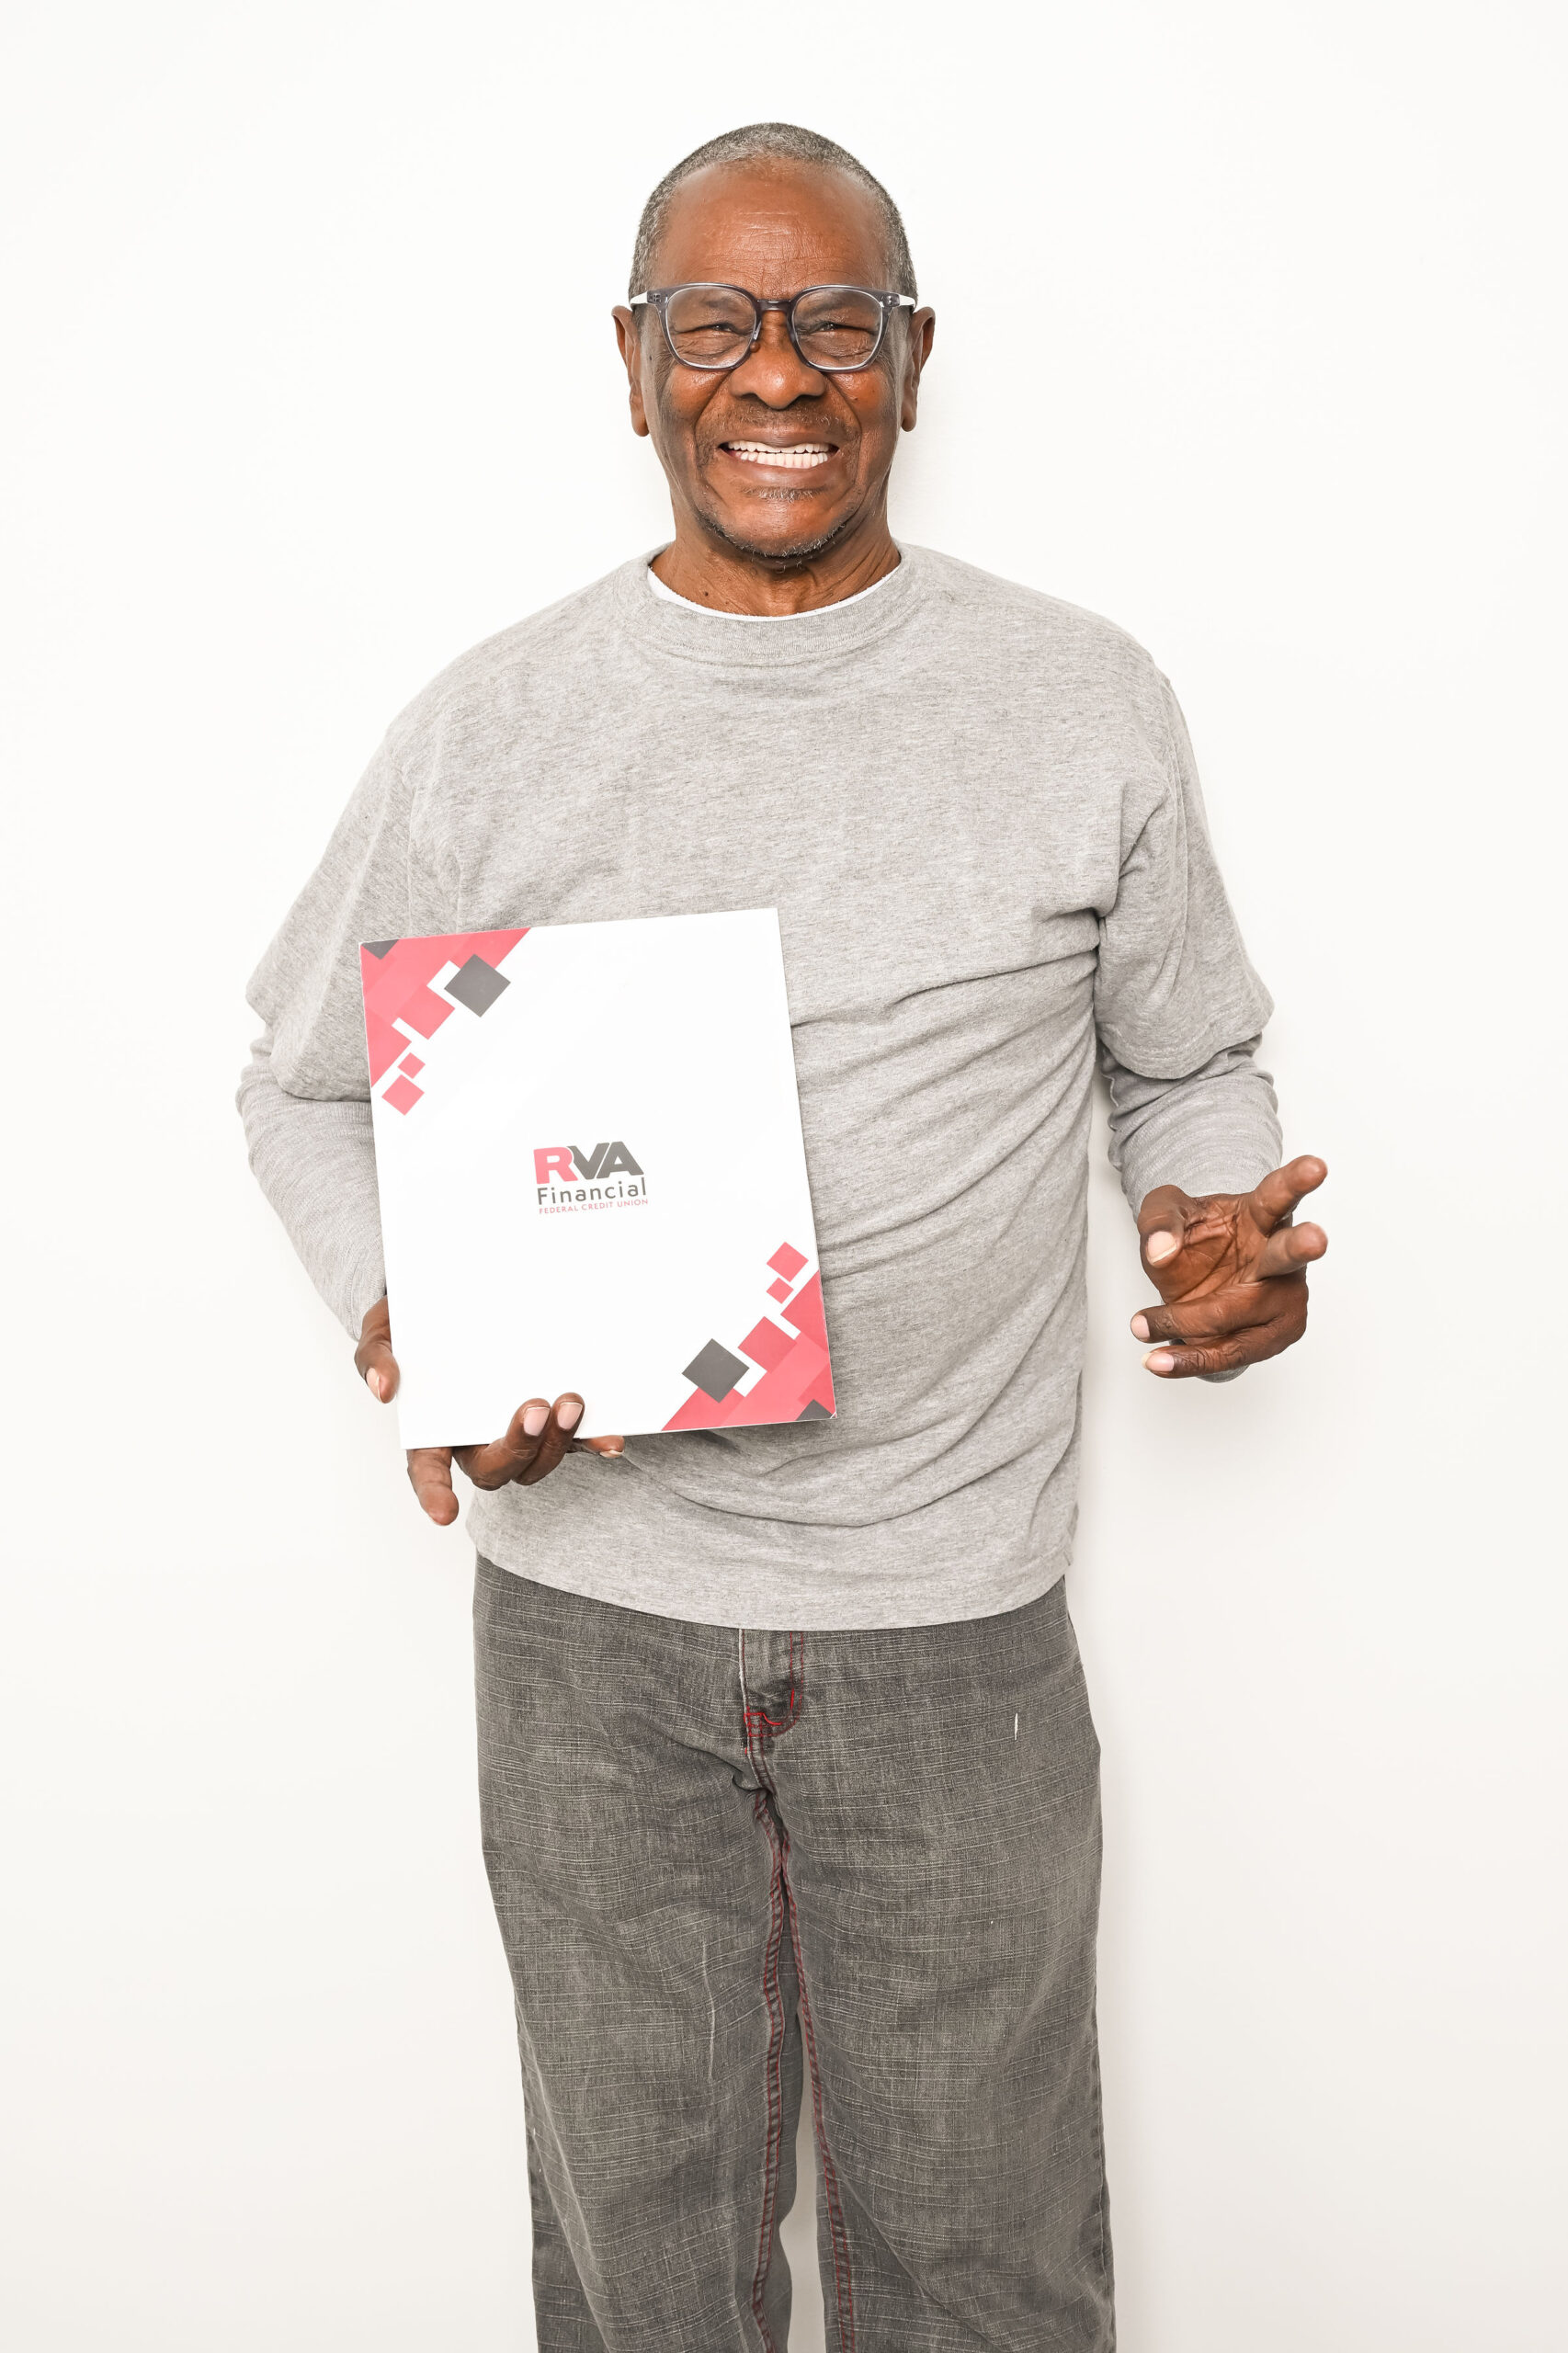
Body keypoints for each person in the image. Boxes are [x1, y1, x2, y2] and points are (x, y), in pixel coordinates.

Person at [240, 120, 1326, 2353]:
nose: (775, 374)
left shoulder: (1080, 697)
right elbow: (304, 1084)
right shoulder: (494, 723)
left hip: (955, 1622)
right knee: (644, 2279)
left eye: (833, 321)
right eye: (713, 322)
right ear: (630, 359)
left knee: (989, 2271)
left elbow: (1185, 1062)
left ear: (909, 360)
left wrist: (1208, 1215)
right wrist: (413, 1313)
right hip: (592, 1630)